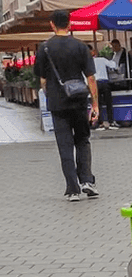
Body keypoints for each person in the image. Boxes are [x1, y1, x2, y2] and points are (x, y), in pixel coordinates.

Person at [34, 10, 99, 202]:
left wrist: (50, 94)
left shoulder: (44, 48)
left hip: (57, 103)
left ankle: (72, 189)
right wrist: (95, 104)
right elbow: (91, 77)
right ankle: (87, 181)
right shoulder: (80, 47)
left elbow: (43, 80)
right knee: (82, 140)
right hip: (79, 101)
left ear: (52, 25)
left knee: (64, 145)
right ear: (69, 24)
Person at [88, 45, 118, 131]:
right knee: (109, 103)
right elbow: (113, 65)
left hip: (95, 83)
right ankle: (111, 122)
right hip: (105, 83)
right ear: (94, 52)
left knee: (97, 104)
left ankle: (99, 123)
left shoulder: (87, 62)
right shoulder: (102, 60)